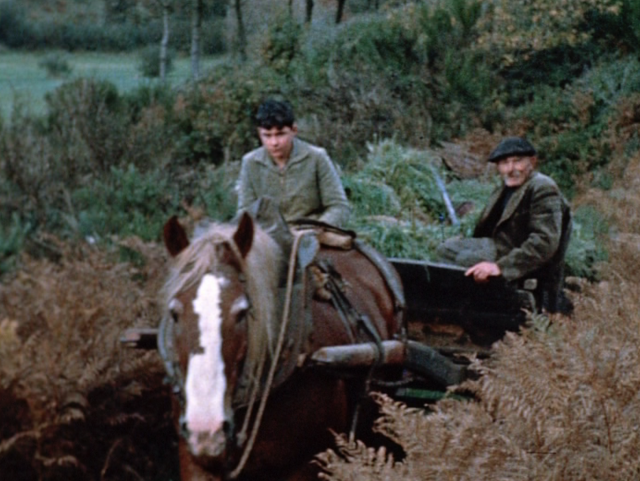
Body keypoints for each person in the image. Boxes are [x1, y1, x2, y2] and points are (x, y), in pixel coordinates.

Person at [436, 137, 572, 313]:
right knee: (445, 250)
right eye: (505, 163)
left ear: (532, 161)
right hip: (499, 246)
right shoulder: (506, 188)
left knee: (464, 260)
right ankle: (467, 307)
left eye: (517, 161)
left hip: (520, 258)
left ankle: (476, 311)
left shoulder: (542, 187)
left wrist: (499, 267)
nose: (511, 169)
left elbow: (544, 243)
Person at [237, 99, 350, 228]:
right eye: (267, 136)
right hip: (269, 236)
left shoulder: (316, 157)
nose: (274, 142)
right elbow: (245, 212)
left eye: (280, 134)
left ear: (294, 130)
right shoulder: (250, 162)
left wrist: (319, 228)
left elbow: (339, 206)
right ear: (259, 134)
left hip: (312, 231)